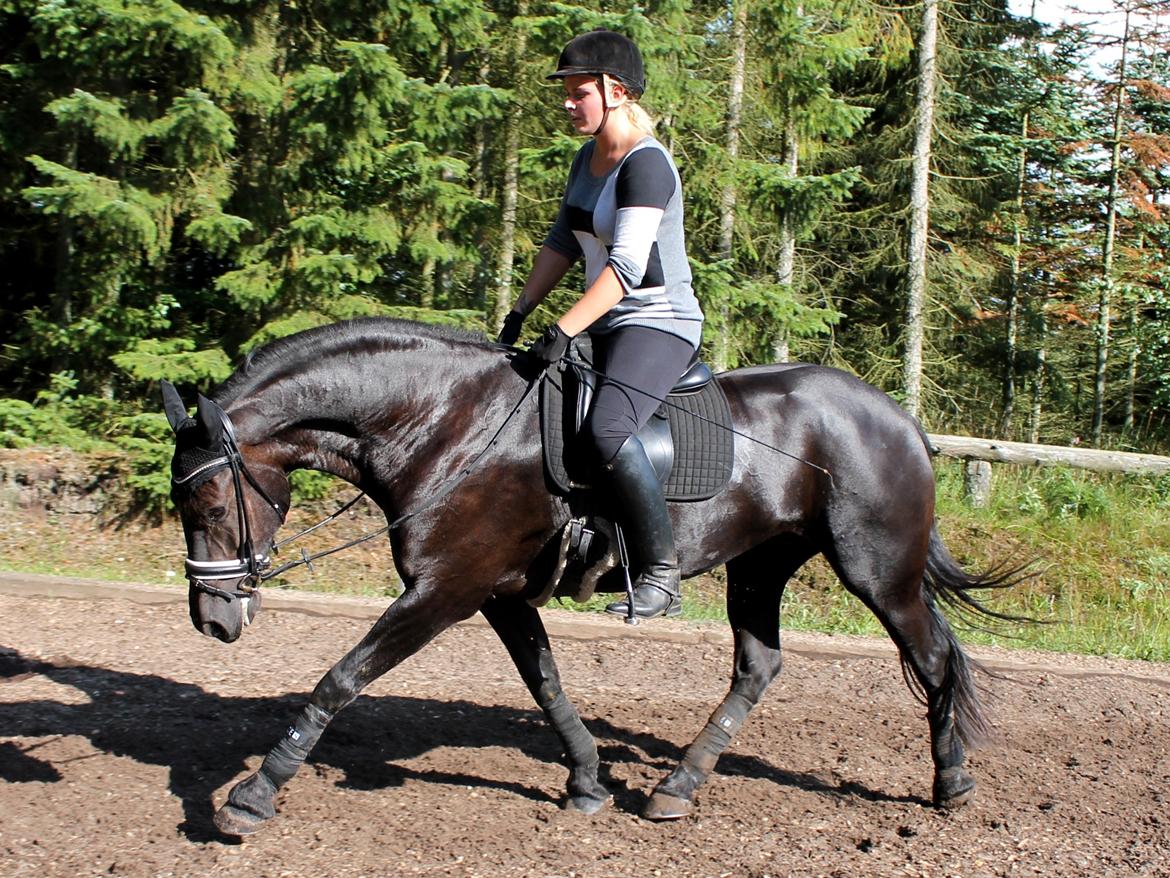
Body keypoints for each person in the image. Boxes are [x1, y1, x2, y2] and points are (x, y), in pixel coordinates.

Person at [497, 29, 704, 620]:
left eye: (577, 90)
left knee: (609, 429)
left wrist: (563, 330)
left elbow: (627, 268)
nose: (567, 101)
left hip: (658, 322)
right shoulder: (586, 159)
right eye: (565, 90)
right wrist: (520, 311)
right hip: (605, 320)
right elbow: (563, 241)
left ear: (615, 91)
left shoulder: (646, 164)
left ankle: (660, 573)